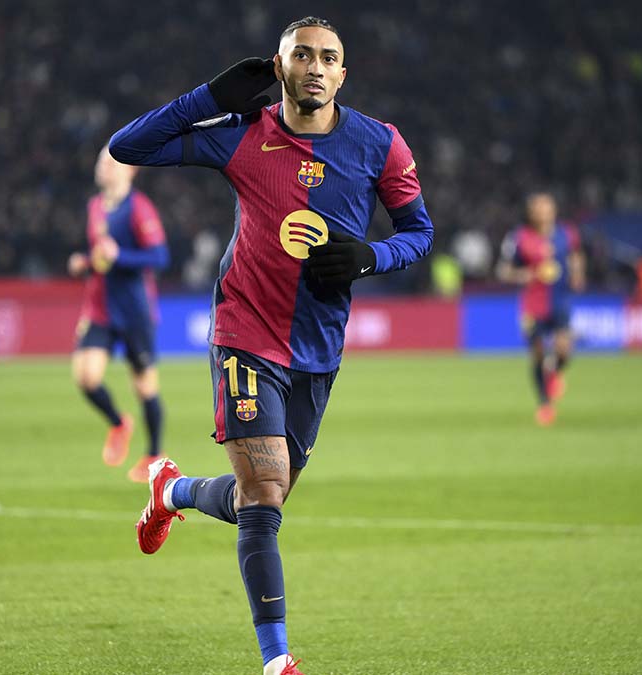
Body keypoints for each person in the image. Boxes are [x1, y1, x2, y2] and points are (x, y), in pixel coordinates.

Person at [107, 16, 433, 675]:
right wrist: (208, 97)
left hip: (317, 350)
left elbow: (420, 233)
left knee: (260, 496)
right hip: (245, 333)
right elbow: (126, 147)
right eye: (302, 55)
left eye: (329, 57)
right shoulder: (243, 135)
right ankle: (276, 656)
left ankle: (171, 491)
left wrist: (370, 257)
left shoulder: (381, 145)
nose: (316, 66)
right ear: (279, 69)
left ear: (344, 73)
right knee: (264, 492)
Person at [68, 149, 169, 482]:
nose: (103, 167)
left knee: (144, 386)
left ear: (131, 171)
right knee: (86, 376)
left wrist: (120, 256)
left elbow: (159, 256)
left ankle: (154, 454)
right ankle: (118, 422)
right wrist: (86, 262)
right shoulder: (95, 206)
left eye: (110, 162)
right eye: (101, 161)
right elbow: (102, 257)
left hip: (134, 310)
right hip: (99, 307)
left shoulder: (139, 208)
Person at [496, 192, 585, 426]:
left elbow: (576, 255)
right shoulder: (519, 238)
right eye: (537, 208)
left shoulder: (567, 234)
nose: (542, 212)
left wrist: (577, 273)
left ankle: (555, 371)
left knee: (564, 349)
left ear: (553, 210)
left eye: (546, 207)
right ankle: (545, 404)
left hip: (560, 300)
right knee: (537, 354)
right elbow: (503, 271)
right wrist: (522, 274)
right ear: (531, 212)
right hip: (533, 305)